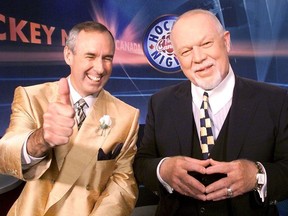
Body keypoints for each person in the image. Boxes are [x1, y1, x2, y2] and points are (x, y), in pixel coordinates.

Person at [133, 9, 288, 216]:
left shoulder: (276, 100)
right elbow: (142, 162)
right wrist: (163, 170)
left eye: (206, 44)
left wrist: (257, 175)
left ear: (226, 41)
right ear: (177, 58)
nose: (198, 58)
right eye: (186, 51)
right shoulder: (160, 103)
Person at [0, 21, 140, 216]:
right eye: (90, 56)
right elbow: (5, 156)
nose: (99, 68)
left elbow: (123, 184)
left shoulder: (127, 116)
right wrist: (42, 138)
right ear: (68, 55)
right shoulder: (32, 97)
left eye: (107, 58)